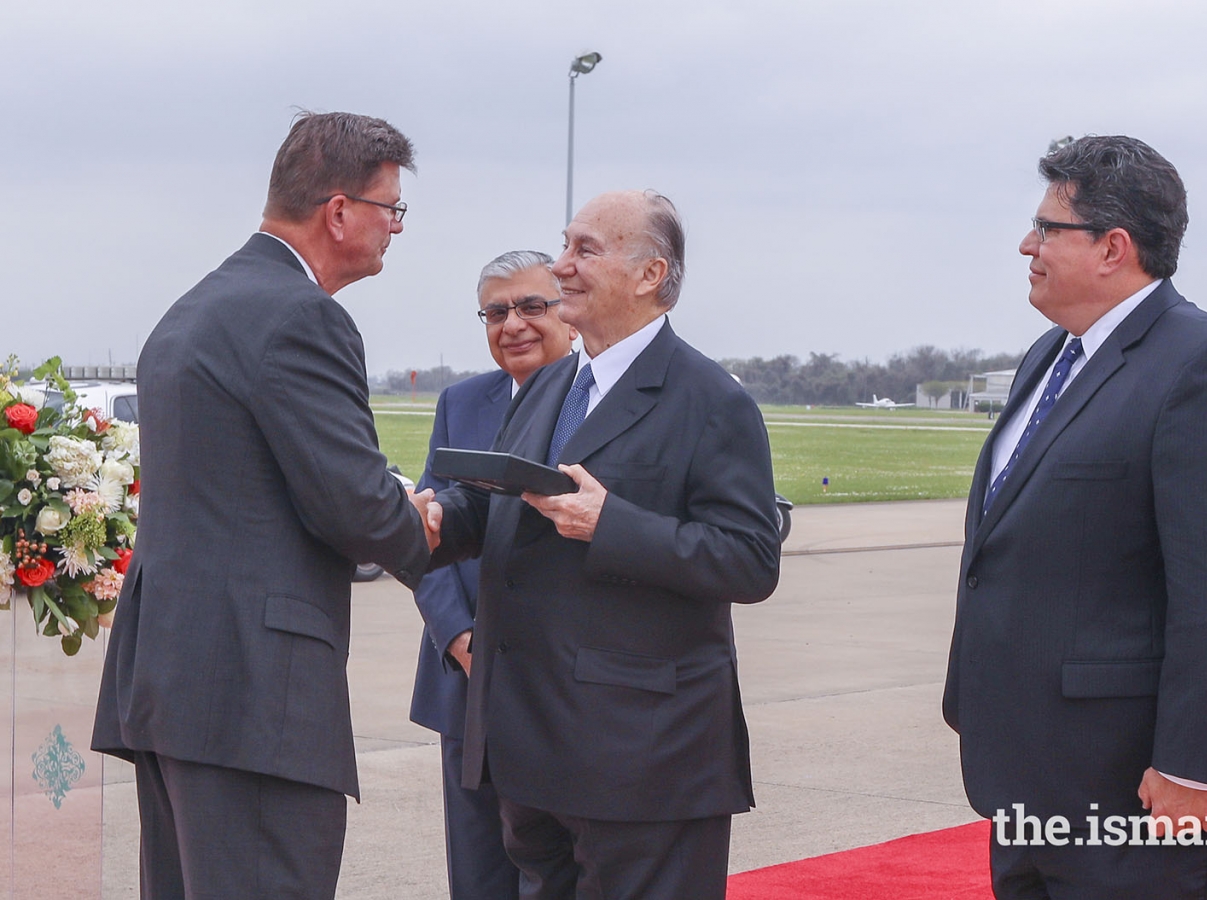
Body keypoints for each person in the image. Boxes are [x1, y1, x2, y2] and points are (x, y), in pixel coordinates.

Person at [92, 111, 440, 899]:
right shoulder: (300, 315)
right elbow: (354, 506)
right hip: (252, 698)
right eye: (392, 209)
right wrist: (420, 523)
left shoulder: (194, 307)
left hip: (179, 684)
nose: (395, 230)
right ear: (340, 210)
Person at [943, 135, 1207, 899]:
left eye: (1046, 228)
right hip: (1032, 778)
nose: (1026, 245)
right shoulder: (1049, 358)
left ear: (1113, 247)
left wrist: (1193, 764)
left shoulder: (1204, 364)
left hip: (1139, 794)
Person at [425, 190, 781, 899]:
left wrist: (610, 523)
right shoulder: (554, 384)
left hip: (641, 762)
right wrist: (435, 518)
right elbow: (508, 504)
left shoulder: (710, 400)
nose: (561, 267)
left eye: (585, 249)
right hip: (531, 752)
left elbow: (749, 558)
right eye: (565, 246)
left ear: (650, 275)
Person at [411, 250, 576, 899]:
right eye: (497, 311)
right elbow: (428, 530)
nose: (514, 324)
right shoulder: (462, 401)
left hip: (556, 685)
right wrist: (458, 638)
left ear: (568, 311)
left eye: (533, 306)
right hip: (468, 680)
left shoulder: (590, 403)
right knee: (479, 873)